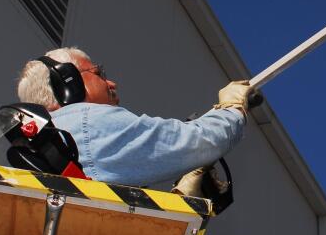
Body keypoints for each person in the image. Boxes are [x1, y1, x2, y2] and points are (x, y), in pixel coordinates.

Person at [16, 47, 250, 187]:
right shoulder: (90, 122)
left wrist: (184, 196)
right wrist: (231, 109)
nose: (111, 83)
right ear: (69, 83)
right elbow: (198, 140)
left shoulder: (40, 141)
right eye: (98, 74)